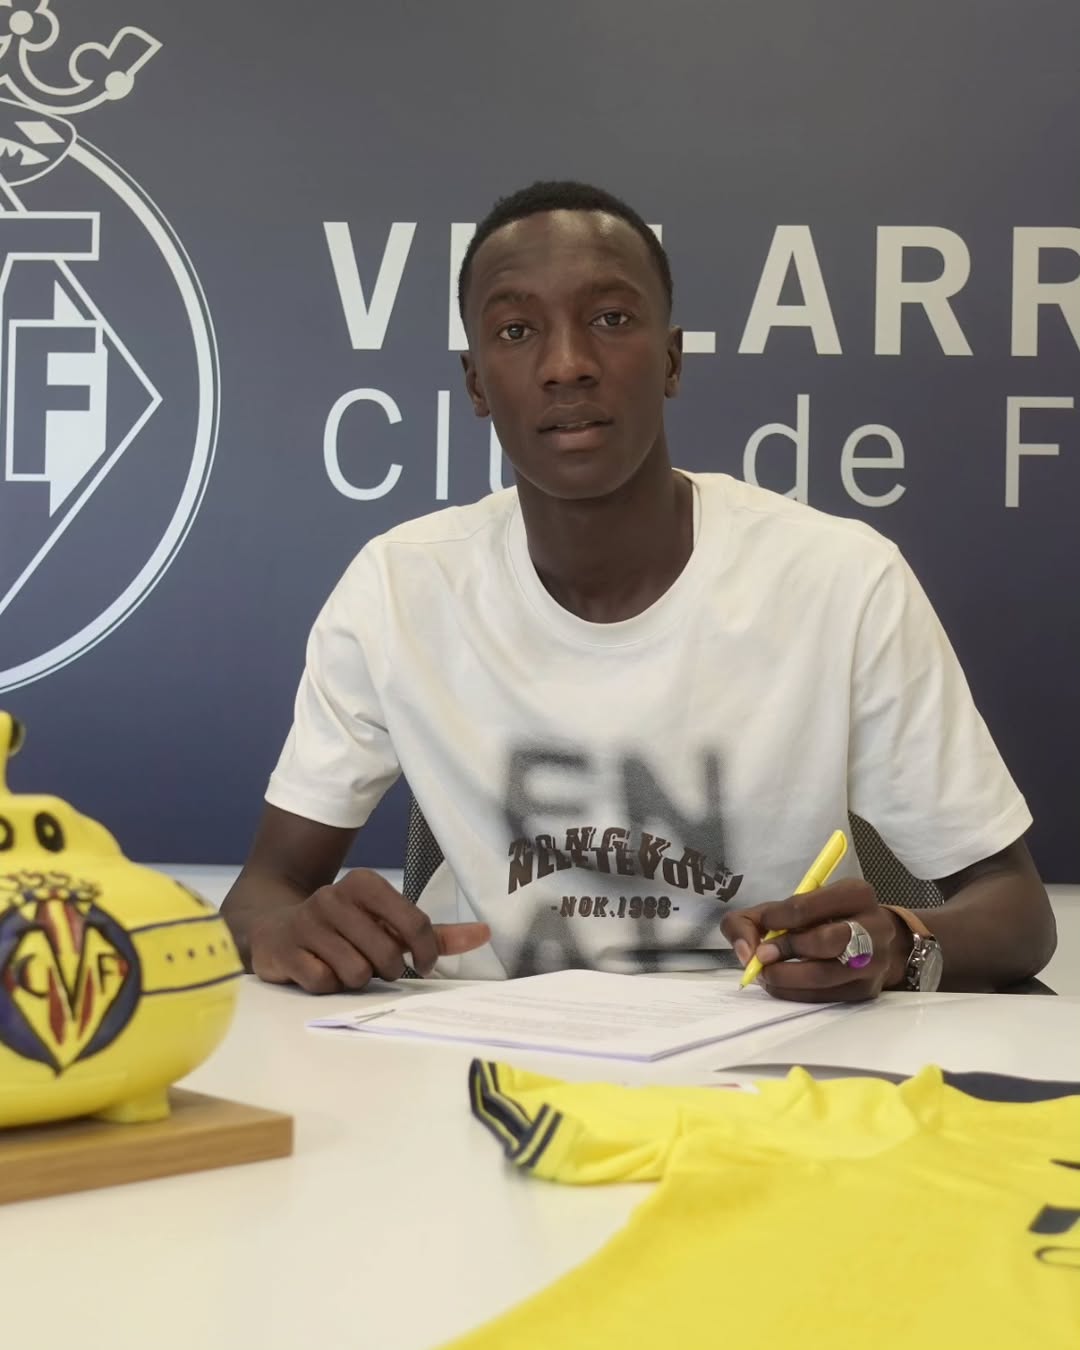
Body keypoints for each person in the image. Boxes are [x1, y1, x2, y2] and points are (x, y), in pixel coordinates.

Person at [221, 180, 1056, 1001]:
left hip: (774, 1052)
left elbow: (1016, 913)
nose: (567, 365)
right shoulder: (398, 589)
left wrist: (895, 945)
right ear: (476, 383)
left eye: (611, 320)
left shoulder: (843, 580)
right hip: (482, 1050)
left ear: (671, 360)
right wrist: (288, 929)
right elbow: (264, 891)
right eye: (516, 330)